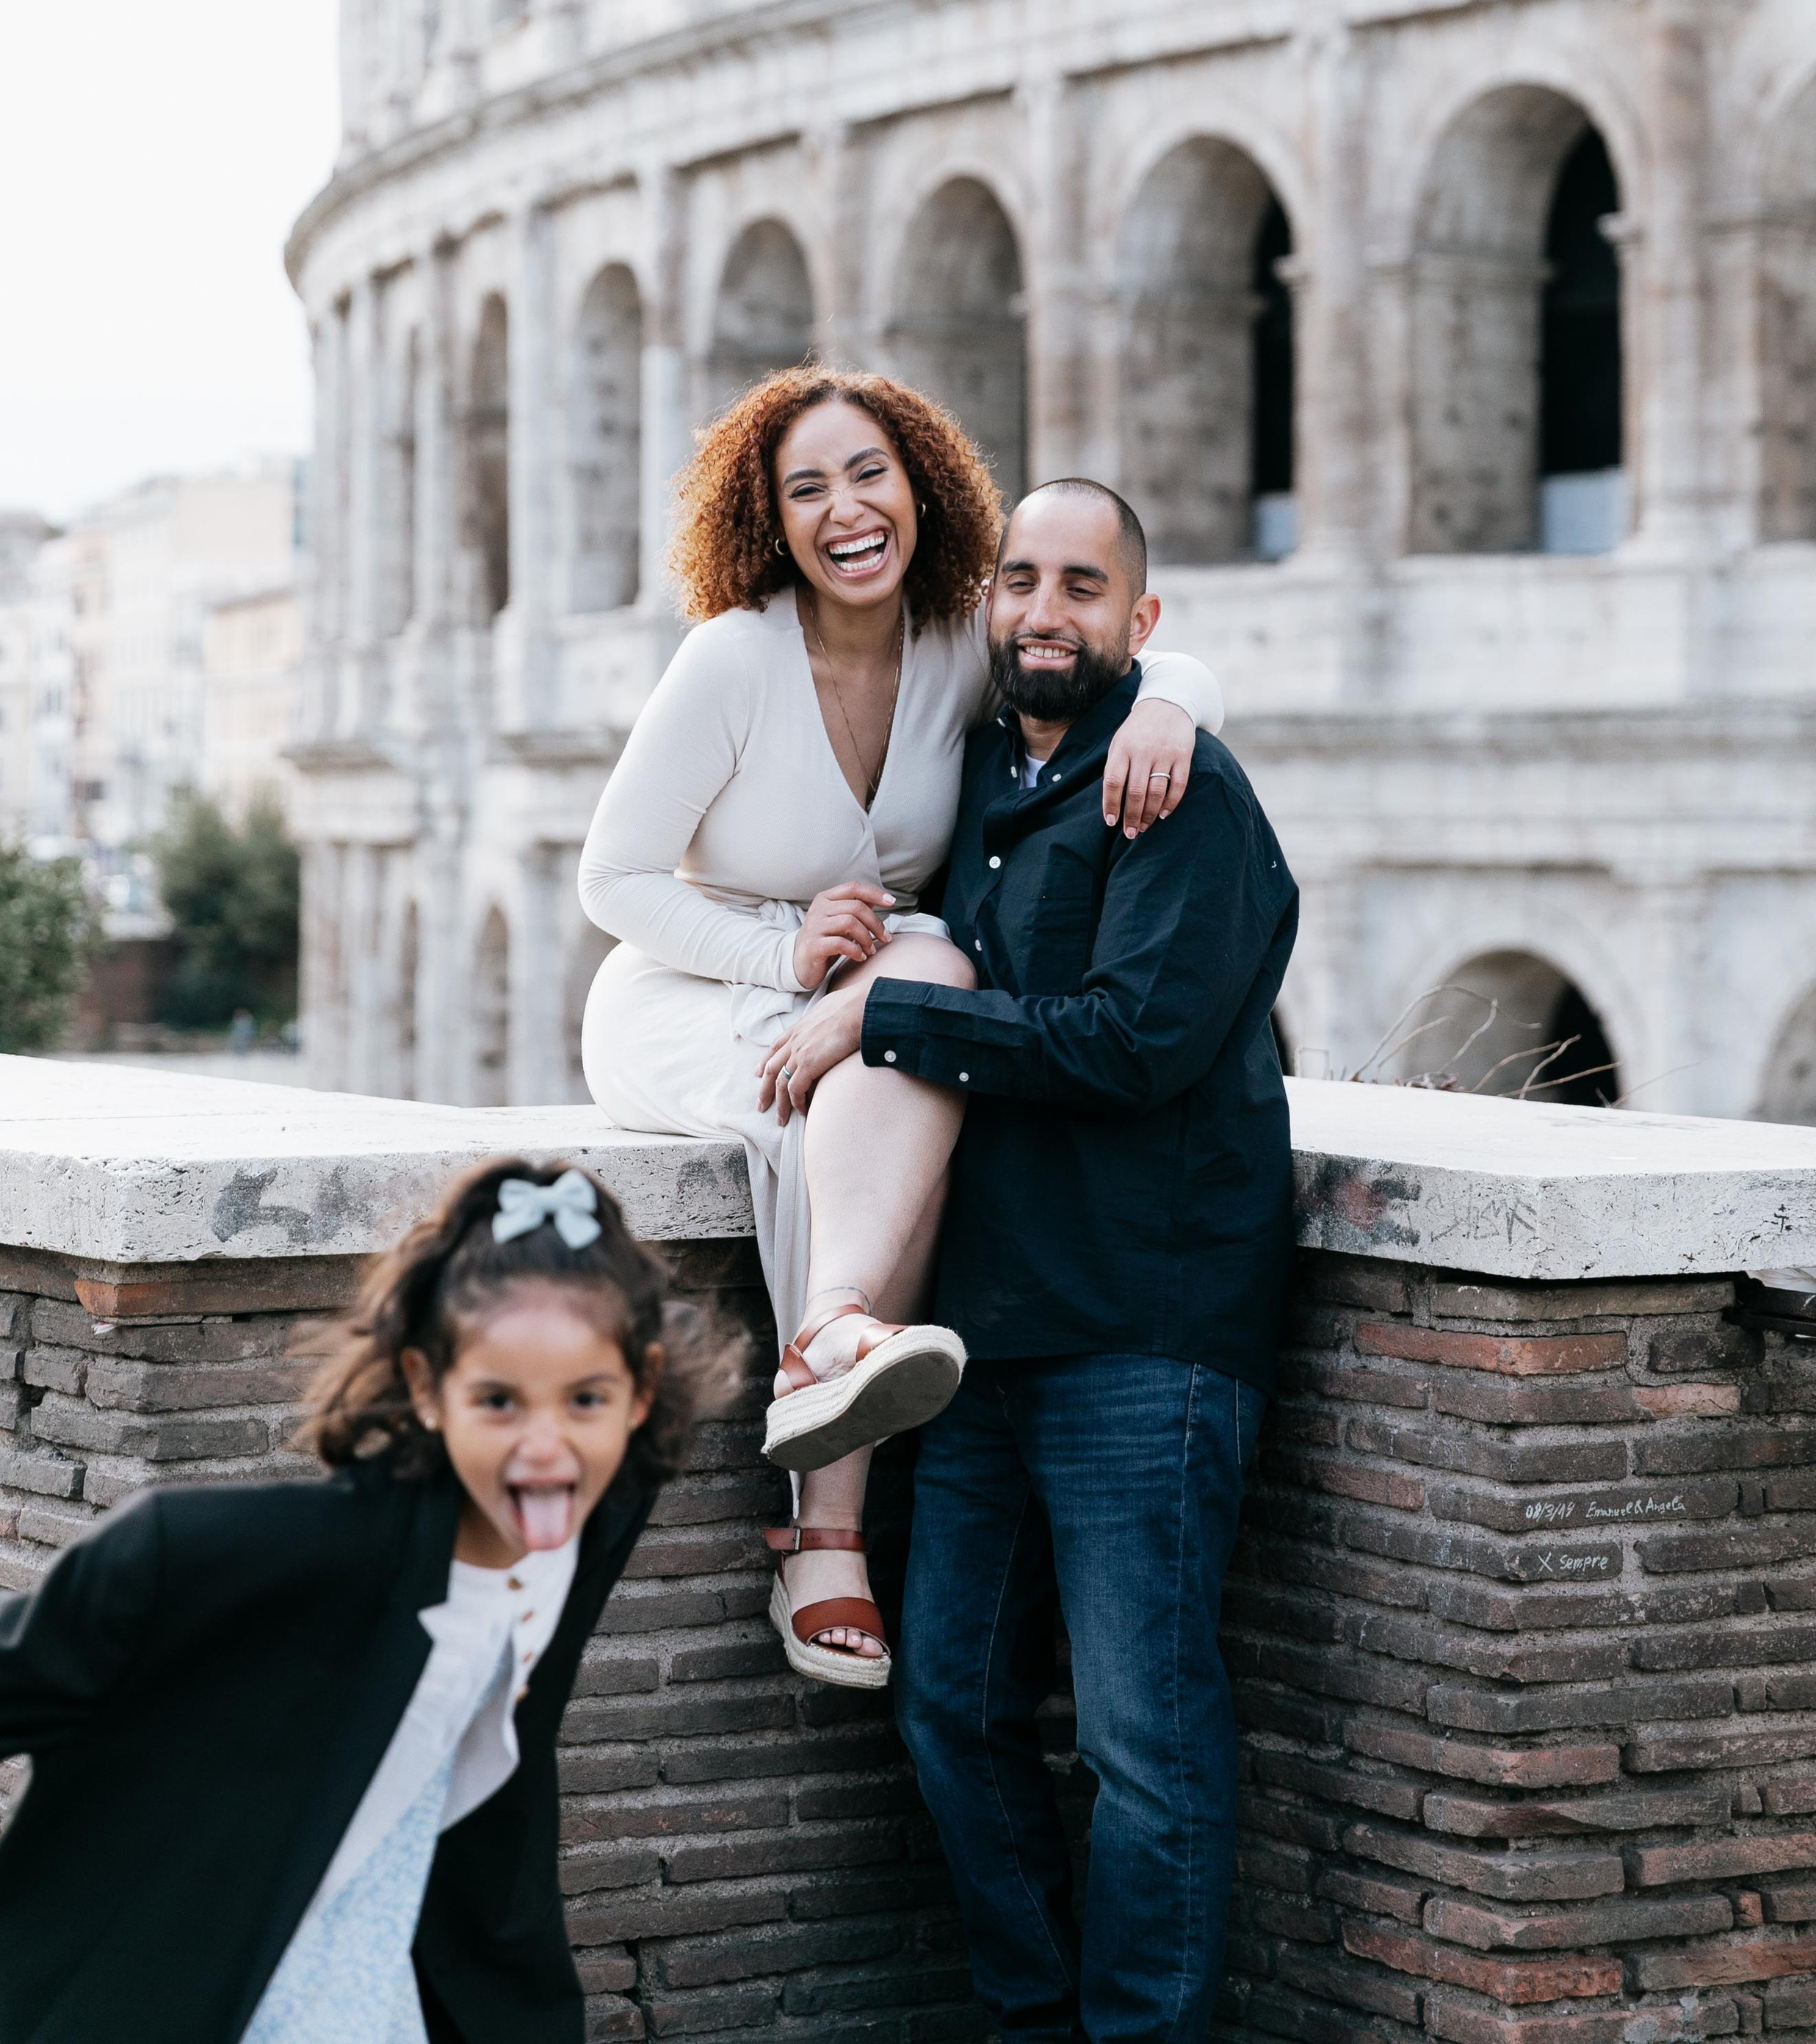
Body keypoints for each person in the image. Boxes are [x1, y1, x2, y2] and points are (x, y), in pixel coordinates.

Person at [578, 368, 1224, 1686]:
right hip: (691, 987)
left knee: (928, 978)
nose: (845, 509)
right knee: (884, 1039)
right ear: (769, 520)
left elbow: (1117, 634)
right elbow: (614, 883)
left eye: (868, 472)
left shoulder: (957, 645)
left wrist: (1171, 701)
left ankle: (828, 1336)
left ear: (921, 486)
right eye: (806, 487)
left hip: (864, 986)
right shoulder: (732, 658)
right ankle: (826, 1528)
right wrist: (779, 949)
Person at [758, 479, 1298, 2044]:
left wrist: (886, 1012)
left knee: (1144, 1738)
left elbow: (1135, 1043)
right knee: (948, 1709)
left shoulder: (1183, 796)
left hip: (1148, 1327)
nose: (1041, 611)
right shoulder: (985, 776)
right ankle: (1027, 2013)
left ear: (1139, 621)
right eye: (1015, 581)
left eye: (1080, 586)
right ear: (983, 603)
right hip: (979, 1340)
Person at [0, 1158, 734, 2044]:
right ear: (428, 1389)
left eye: (585, 1399)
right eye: (497, 1402)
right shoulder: (229, 1558)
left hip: (391, 1982)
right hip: (188, 1983)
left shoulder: (597, 1509)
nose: (547, 1448)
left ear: (639, 1394)